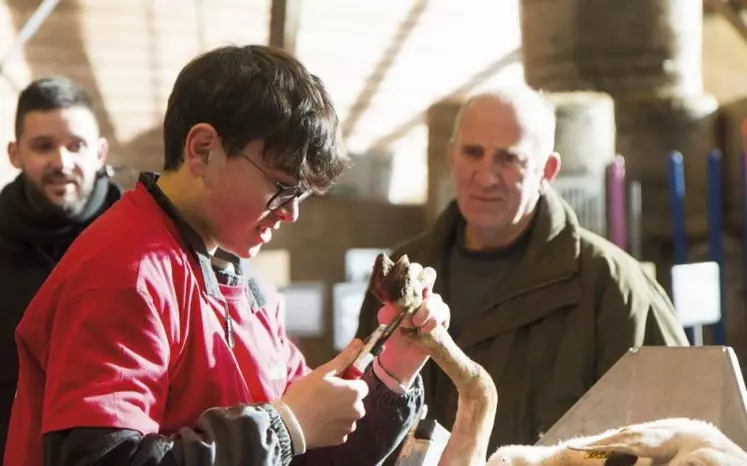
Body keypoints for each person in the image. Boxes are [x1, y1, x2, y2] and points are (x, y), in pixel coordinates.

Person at [4, 45, 449, 466]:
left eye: (303, 195)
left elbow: (316, 449)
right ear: (202, 150)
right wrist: (285, 427)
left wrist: (395, 368)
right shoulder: (127, 274)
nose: (292, 213)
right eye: (282, 186)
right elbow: (105, 458)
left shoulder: (239, 281)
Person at [356, 84, 689, 453]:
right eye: (472, 152)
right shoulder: (403, 279)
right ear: (451, 156)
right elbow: (357, 422)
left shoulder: (614, 290)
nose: (485, 176)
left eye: (508, 158)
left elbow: (676, 440)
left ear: (547, 170)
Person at [0, 76, 121, 457]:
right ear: (15, 154)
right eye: (43, 147)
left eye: (76, 145)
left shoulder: (141, 244)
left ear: (99, 153)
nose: (62, 162)